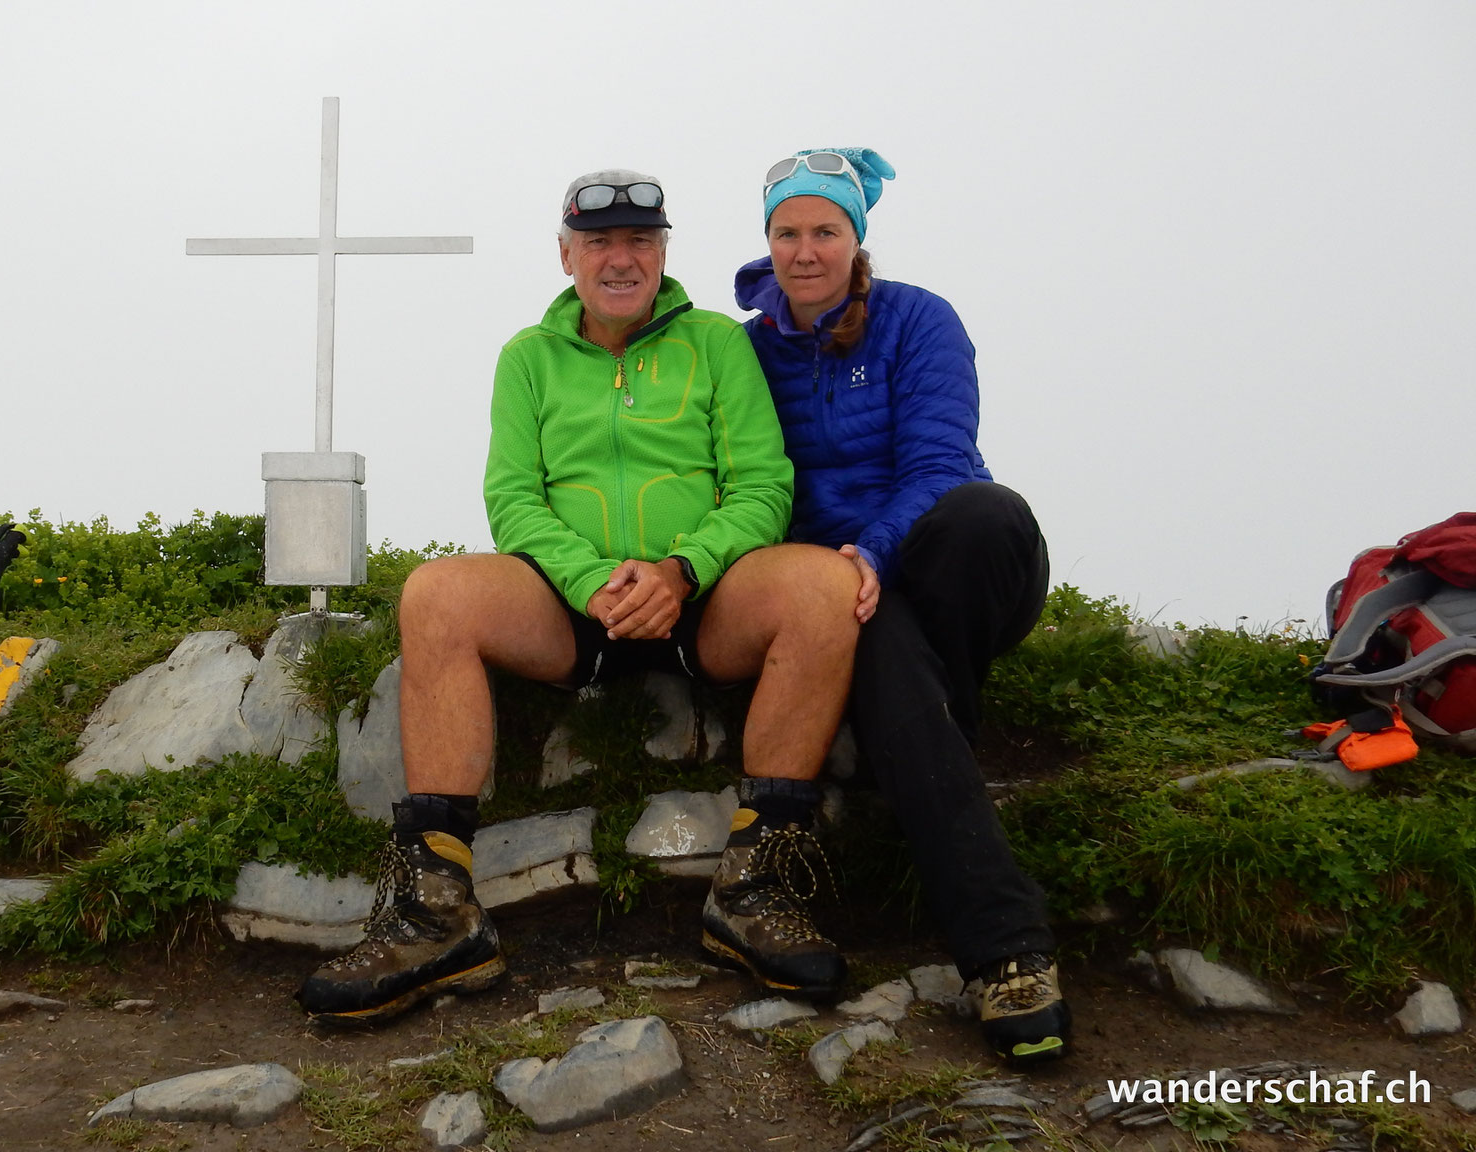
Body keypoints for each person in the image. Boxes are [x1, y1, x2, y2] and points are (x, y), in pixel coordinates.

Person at [295, 170, 863, 1026]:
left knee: (824, 580)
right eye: (600, 242)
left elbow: (761, 487)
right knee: (437, 592)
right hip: (573, 605)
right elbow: (514, 498)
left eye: (641, 240)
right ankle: (436, 915)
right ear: (567, 255)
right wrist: (591, 581)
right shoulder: (527, 356)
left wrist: (680, 569)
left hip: (701, 598)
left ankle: (756, 892)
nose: (622, 259)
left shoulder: (717, 342)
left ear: (666, 251)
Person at [732, 148, 1070, 1063]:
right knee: (874, 636)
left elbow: (941, 461)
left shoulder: (919, 318)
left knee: (984, 514)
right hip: (843, 591)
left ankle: (921, 732)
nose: (806, 250)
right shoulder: (747, 350)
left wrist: (871, 550)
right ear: (768, 240)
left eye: (825, 231)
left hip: (951, 565)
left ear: (856, 237)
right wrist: (832, 571)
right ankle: (1007, 958)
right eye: (788, 231)